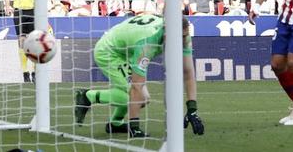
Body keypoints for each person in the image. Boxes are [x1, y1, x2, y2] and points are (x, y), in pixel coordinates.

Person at [74, 15, 204, 137]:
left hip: (127, 47)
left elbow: (188, 72)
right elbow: (137, 85)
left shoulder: (183, 35)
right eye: (178, 37)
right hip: (109, 52)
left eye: (184, 36)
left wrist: (192, 109)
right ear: (166, 32)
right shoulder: (147, 43)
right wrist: (134, 126)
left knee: (138, 96)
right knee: (141, 97)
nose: (181, 41)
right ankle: (88, 96)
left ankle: (115, 124)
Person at [5, 0, 35, 83]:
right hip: (19, 12)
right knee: (22, 41)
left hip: (33, 11)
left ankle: (34, 71)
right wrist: (7, 6)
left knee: (33, 42)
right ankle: (25, 72)